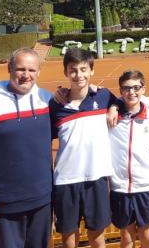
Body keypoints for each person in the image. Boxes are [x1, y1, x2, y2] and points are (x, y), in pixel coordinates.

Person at [0, 48, 53, 248]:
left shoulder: (47, 100)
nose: (26, 75)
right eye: (20, 69)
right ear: (9, 68)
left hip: (42, 200)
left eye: (32, 70)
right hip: (4, 204)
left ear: (38, 72)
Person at [49, 48, 116, 248]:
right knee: (69, 236)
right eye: (73, 70)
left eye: (83, 69)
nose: (79, 75)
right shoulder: (55, 105)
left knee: (97, 235)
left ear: (91, 71)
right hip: (65, 180)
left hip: (96, 177)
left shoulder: (104, 97)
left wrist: (114, 107)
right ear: (65, 72)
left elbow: (121, 101)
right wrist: (57, 93)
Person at [108, 70, 149, 248]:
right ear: (120, 91)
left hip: (145, 186)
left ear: (143, 89)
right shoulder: (111, 116)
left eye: (136, 88)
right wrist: (114, 106)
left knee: (147, 236)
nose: (131, 92)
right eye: (126, 88)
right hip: (119, 187)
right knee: (126, 236)